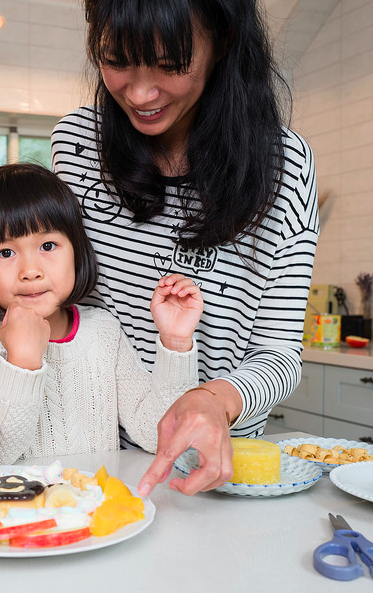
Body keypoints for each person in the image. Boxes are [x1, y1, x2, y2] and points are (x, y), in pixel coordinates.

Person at [49, 0, 319, 496]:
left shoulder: (285, 170)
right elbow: (73, 303)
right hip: (94, 463)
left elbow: (279, 355)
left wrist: (216, 399)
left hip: (216, 476)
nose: (141, 92)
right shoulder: (78, 145)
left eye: (170, 65)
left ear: (223, 43)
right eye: (117, 60)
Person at [0, 159, 202, 465]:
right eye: (6, 252)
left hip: (93, 508)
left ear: (77, 248)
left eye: (48, 246)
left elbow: (158, 434)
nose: (31, 271)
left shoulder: (102, 328)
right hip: (11, 511)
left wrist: (176, 342)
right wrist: (23, 361)